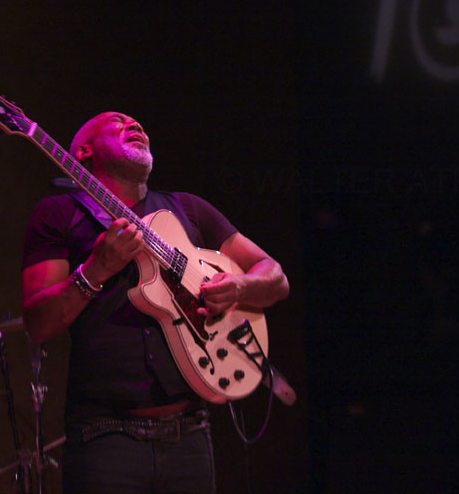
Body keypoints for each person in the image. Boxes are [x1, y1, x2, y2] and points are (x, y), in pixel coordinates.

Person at [21, 112, 289, 494]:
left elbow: (275, 276)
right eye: (117, 123)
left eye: (138, 124)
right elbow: (37, 323)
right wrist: (95, 270)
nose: (136, 126)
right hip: (104, 441)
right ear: (82, 150)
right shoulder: (58, 214)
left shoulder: (189, 208)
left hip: (191, 437)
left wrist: (240, 288)